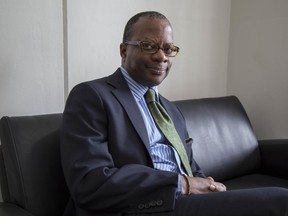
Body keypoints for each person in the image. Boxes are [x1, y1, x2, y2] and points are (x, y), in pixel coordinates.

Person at [60, 11, 288, 216]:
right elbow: (90, 182)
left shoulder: (170, 110)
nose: (162, 57)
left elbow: (189, 167)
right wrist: (184, 184)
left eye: (168, 49)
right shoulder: (93, 96)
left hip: (186, 201)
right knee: (281, 200)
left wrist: (208, 184)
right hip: (144, 206)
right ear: (123, 50)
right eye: (149, 46)